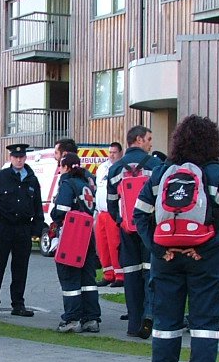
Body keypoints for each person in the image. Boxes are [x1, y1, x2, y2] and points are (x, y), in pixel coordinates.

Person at [134, 115, 219, 362]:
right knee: (205, 327)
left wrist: (160, 250)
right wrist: (208, 246)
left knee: (165, 327)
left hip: (166, 260)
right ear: (213, 143)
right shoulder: (218, 174)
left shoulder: (161, 173)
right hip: (205, 260)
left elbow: (140, 215)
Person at [106, 124, 163, 338]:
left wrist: (121, 221)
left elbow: (111, 203)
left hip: (127, 228)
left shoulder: (115, 169)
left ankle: (133, 324)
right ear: (138, 139)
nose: (150, 143)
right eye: (148, 139)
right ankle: (150, 317)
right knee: (151, 272)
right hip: (150, 228)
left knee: (130, 276)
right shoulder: (156, 165)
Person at [0, 143, 43, 318]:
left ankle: (18, 304)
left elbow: (37, 205)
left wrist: (36, 228)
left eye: (22, 157)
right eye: (15, 157)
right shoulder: (1, 177)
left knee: (20, 268)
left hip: (23, 228)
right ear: (10, 158)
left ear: (25, 158)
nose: (19, 160)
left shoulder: (31, 179)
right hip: (3, 227)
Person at [50, 153, 102, 333]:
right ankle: (91, 318)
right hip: (87, 234)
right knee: (88, 278)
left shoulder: (67, 184)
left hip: (72, 235)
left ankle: (72, 319)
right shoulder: (86, 184)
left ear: (65, 167)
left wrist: (53, 216)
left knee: (69, 276)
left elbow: (61, 211)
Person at [94, 142, 124, 287]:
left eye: (114, 152)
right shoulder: (102, 168)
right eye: (110, 152)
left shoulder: (121, 168)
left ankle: (119, 275)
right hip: (101, 212)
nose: (111, 155)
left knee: (114, 244)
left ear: (120, 153)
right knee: (102, 246)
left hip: (113, 212)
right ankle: (108, 274)